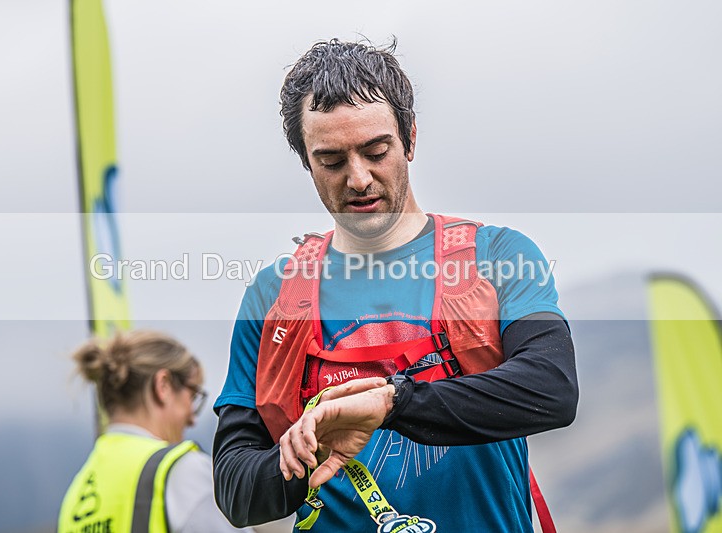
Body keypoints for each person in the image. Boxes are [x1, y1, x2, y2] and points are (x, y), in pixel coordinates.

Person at [213, 38, 578, 532]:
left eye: (375, 151)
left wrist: (391, 402)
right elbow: (236, 493)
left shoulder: (497, 256)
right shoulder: (272, 296)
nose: (359, 178)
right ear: (305, 160)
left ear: (409, 139)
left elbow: (551, 389)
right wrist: (308, 454)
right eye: (332, 161)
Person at [59, 330, 252, 533]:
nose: (192, 419)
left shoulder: (76, 495)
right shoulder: (180, 470)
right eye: (193, 396)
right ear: (163, 386)